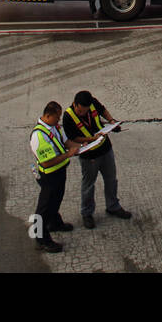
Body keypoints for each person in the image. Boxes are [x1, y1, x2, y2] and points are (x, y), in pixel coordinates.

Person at [61, 90, 132, 229]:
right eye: (81, 111)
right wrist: (92, 139)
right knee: (88, 185)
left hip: (105, 148)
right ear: (75, 104)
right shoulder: (68, 117)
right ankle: (87, 213)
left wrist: (112, 121)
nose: (83, 113)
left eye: (86, 110)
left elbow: (103, 110)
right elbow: (73, 138)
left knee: (111, 179)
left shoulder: (92, 102)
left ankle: (113, 206)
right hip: (89, 155)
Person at [30, 101, 80, 253]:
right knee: (44, 207)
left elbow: (66, 142)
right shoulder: (38, 135)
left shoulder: (54, 127)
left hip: (59, 172)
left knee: (56, 200)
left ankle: (54, 223)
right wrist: (68, 154)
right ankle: (41, 238)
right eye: (57, 117)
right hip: (49, 176)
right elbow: (46, 163)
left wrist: (77, 147)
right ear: (48, 115)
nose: (59, 120)